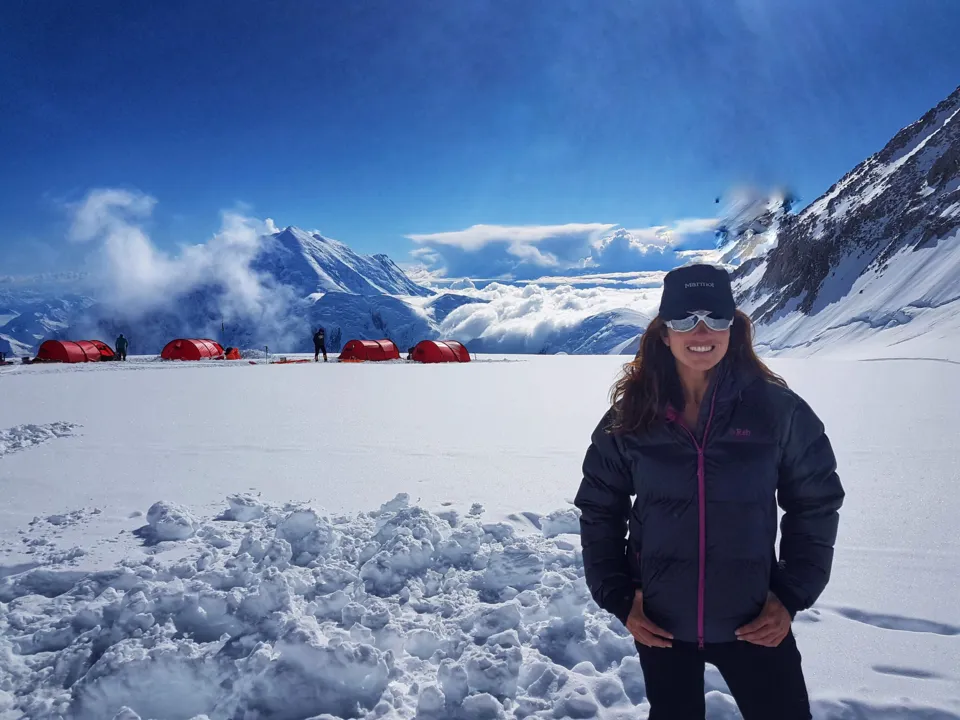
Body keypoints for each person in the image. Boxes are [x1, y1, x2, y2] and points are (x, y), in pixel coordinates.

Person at [574, 263, 843, 720]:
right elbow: (599, 507)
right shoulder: (632, 418)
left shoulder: (778, 412)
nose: (701, 332)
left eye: (715, 318)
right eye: (684, 320)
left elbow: (815, 502)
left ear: (734, 328)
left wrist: (792, 594)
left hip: (756, 622)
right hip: (661, 625)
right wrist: (620, 596)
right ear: (663, 333)